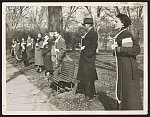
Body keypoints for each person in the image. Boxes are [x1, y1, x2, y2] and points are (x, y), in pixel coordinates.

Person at [112, 13, 142, 110]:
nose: (114, 23)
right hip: (124, 67)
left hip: (127, 68)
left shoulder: (126, 34)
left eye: (116, 21)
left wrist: (118, 49)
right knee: (124, 91)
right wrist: (116, 50)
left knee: (128, 92)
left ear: (123, 23)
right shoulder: (121, 34)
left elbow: (133, 50)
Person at [75, 18, 98, 101]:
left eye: (84, 25)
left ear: (88, 25)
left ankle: (88, 95)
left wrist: (85, 51)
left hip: (89, 59)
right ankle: (92, 93)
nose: (84, 26)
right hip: (86, 58)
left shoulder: (93, 33)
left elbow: (93, 48)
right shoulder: (88, 33)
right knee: (88, 76)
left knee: (89, 77)